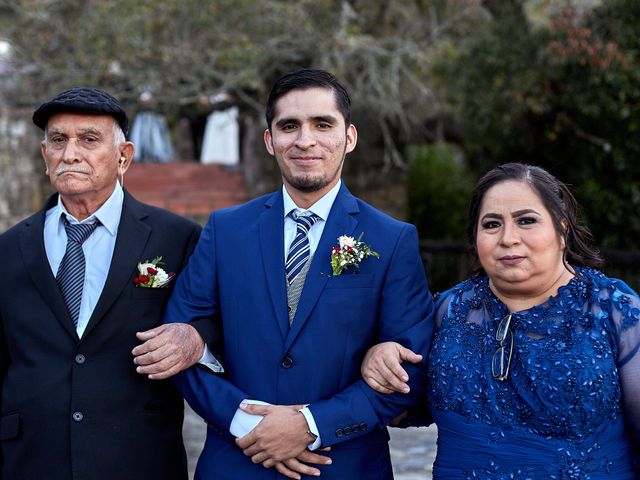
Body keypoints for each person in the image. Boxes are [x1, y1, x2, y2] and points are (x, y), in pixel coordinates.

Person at [132, 68, 435, 479]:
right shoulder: (225, 230)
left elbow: (409, 369)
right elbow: (179, 343)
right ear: (270, 141)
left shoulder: (392, 238)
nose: (305, 140)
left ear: (349, 138)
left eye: (322, 124)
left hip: (343, 464)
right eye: (289, 126)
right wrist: (248, 423)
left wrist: (311, 425)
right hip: (237, 462)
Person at [361, 163, 640, 478]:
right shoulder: (447, 311)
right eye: (492, 224)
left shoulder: (614, 311)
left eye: (526, 221)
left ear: (562, 230)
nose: (508, 238)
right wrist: (377, 355)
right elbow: (403, 405)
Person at [0, 87, 209, 480]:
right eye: (58, 140)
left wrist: (194, 337)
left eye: (89, 140)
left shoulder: (176, 238)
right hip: (30, 462)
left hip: (139, 458)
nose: (70, 153)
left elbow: (212, 322)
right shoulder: (9, 249)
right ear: (45, 155)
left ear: (124, 157)